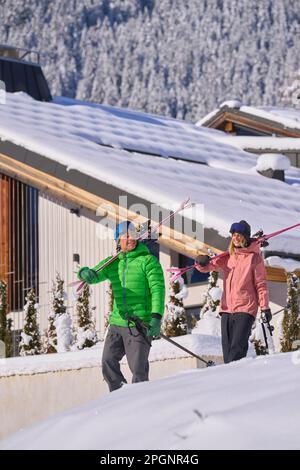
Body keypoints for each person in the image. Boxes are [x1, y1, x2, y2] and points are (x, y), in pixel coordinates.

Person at [77, 220, 165, 391]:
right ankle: (119, 396)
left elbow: (158, 290)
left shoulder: (148, 261)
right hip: (117, 323)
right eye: (125, 236)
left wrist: (156, 317)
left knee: (138, 369)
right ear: (118, 240)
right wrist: (84, 273)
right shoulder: (113, 263)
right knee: (107, 362)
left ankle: (141, 401)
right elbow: (94, 275)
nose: (130, 238)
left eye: (132, 235)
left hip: (140, 324)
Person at [195, 220, 271, 364]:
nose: (236, 238)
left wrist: (265, 307)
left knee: (237, 351)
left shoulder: (254, 258)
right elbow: (208, 267)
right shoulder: (228, 257)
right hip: (227, 309)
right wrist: (200, 261)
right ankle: (232, 383)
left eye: (239, 235)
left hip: (245, 309)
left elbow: (261, 284)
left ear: (246, 237)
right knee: (228, 353)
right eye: (234, 235)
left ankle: (235, 381)